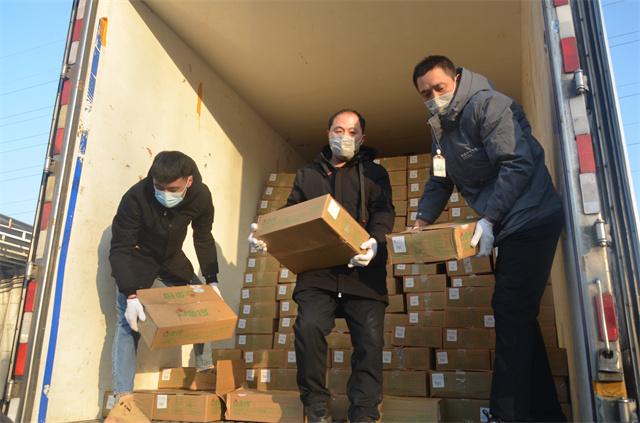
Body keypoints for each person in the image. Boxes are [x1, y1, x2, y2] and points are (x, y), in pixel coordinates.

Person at [411, 55, 566, 423]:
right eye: (425, 93)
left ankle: (506, 415)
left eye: (439, 87)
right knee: (518, 317)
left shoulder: (488, 105)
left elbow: (516, 162)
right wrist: (419, 222)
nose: (433, 97)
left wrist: (489, 217)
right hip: (508, 226)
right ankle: (544, 414)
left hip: (531, 216)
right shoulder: (439, 128)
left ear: (457, 78)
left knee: (510, 310)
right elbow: (440, 179)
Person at [249, 110, 395, 423]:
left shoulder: (374, 174)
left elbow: (383, 210)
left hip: (363, 272)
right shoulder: (307, 175)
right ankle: (315, 404)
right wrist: (266, 234)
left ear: (362, 139)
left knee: (370, 341)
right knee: (308, 327)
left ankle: (364, 412)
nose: (345, 136)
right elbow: (291, 212)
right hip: (318, 273)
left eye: (352, 132)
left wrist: (376, 242)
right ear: (328, 134)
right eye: (339, 130)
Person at [106, 151, 222, 422]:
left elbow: (203, 235)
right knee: (128, 322)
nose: (165, 194)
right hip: (138, 257)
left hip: (171, 258)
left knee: (202, 303)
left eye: (173, 189)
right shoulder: (136, 197)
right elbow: (120, 248)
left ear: (189, 181)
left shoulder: (201, 196)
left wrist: (212, 279)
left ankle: (205, 371)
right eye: (159, 187)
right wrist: (130, 295)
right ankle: (123, 401)